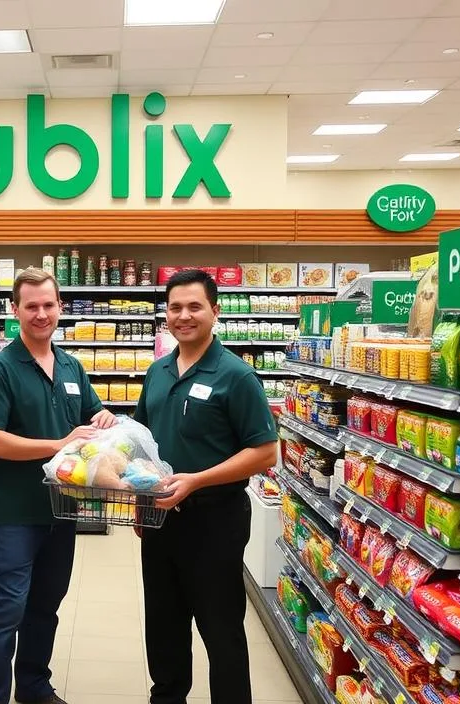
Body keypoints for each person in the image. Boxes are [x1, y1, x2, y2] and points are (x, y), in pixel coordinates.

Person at [133, 268, 278, 704]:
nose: (184, 315)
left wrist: (196, 481)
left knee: (221, 630)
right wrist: (140, 497)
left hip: (215, 522)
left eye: (194, 306)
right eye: (175, 307)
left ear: (215, 311)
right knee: (163, 625)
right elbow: (143, 440)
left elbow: (265, 452)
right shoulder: (158, 371)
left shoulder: (235, 375)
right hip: (160, 520)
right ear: (166, 314)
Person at [0, 268, 116, 704]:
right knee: (6, 610)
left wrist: (104, 416)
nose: (41, 314)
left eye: (48, 305)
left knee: (46, 604)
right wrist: (58, 444)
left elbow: (91, 415)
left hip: (62, 509)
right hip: (14, 511)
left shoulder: (71, 366)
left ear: (60, 308)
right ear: (14, 310)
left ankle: (33, 687)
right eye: (31, 306)